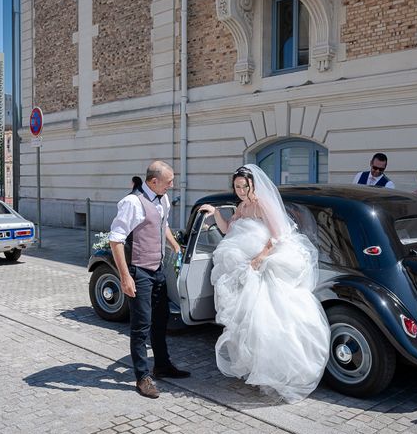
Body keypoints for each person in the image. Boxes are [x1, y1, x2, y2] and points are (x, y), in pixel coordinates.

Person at [198, 165, 330, 403]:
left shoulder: (262, 204)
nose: (240, 190)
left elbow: (279, 233)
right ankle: (258, 369)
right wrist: (215, 213)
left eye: (244, 186)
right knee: (249, 323)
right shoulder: (241, 206)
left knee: (268, 320)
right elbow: (228, 230)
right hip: (245, 268)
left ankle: (280, 372)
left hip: (264, 265)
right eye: (237, 186)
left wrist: (261, 256)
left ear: (253, 185)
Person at [108, 161, 189, 399]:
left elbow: (161, 224)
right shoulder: (132, 203)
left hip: (158, 270)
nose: (173, 185)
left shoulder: (162, 199)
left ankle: (162, 365)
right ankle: (142, 377)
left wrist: (174, 245)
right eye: (169, 182)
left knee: (161, 319)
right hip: (139, 271)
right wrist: (125, 277)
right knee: (141, 326)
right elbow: (116, 240)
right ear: (154, 182)